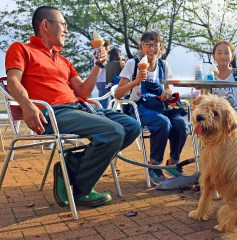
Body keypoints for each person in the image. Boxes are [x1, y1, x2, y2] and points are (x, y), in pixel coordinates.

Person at [5, 6, 141, 207]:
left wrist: (99, 66)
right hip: (52, 113)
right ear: (45, 25)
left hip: (80, 107)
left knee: (132, 126)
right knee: (113, 132)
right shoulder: (21, 49)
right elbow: (13, 82)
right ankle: (80, 189)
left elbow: (83, 92)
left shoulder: (63, 60)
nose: (67, 31)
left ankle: (72, 165)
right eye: (63, 25)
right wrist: (27, 105)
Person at [114, 31, 188, 186]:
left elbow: (168, 88)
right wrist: (135, 81)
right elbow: (118, 94)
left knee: (181, 124)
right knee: (162, 123)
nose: (151, 48)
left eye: (154, 45)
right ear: (141, 47)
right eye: (147, 44)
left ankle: (173, 163)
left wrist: (168, 91)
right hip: (140, 107)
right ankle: (154, 165)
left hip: (162, 106)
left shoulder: (163, 65)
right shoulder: (133, 64)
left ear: (160, 48)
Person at [211, 41, 237, 126]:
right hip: (216, 112)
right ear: (213, 57)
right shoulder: (210, 75)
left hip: (236, 110)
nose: (223, 56)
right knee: (208, 125)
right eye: (219, 53)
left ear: (232, 56)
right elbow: (203, 94)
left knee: (229, 123)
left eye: (226, 53)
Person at [95, 40, 111, 108]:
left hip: (99, 80)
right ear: (105, 47)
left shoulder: (97, 53)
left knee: (102, 99)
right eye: (108, 47)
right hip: (103, 80)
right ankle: (103, 115)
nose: (109, 49)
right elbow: (104, 65)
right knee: (104, 101)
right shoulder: (101, 54)